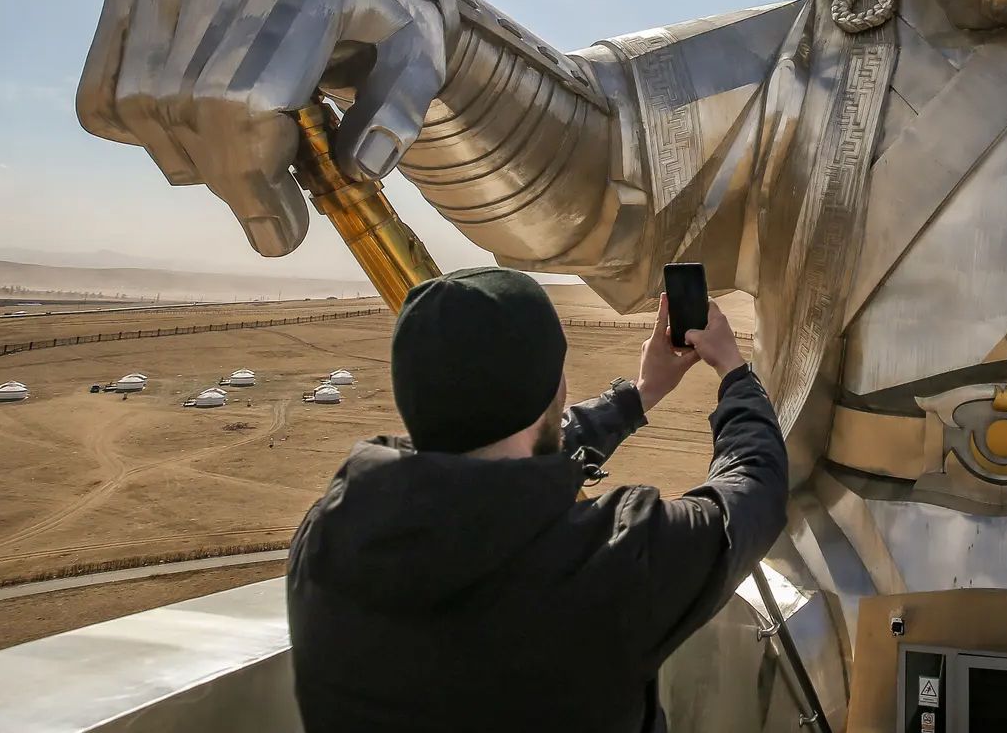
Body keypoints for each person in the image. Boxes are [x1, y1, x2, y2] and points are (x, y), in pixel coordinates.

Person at [285, 267, 786, 732]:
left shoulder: (327, 537)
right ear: (553, 391)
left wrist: (638, 396)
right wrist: (735, 373)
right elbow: (753, 489)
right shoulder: (614, 564)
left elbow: (499, 474)